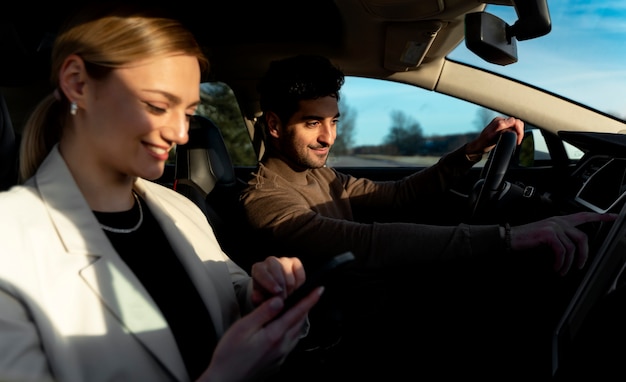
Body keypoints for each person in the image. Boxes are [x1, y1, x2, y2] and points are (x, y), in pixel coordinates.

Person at [239, 54, 618, 379]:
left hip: (376, 301)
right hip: (348, 335)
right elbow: (367, 242)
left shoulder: (319, 174)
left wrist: (471, 151)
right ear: (274, 125)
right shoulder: (265, 200)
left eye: (333, 121)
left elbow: (399, 194)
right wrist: (508, 237)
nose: (328, 138)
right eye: (313, 123)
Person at [0, 5, 323, 382]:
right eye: (156, 106)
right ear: (78, 83)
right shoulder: (11, 239)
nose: (180, 135)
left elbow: (226, 287)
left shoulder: (178, 207)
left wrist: (259, 293)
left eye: (187, 113)